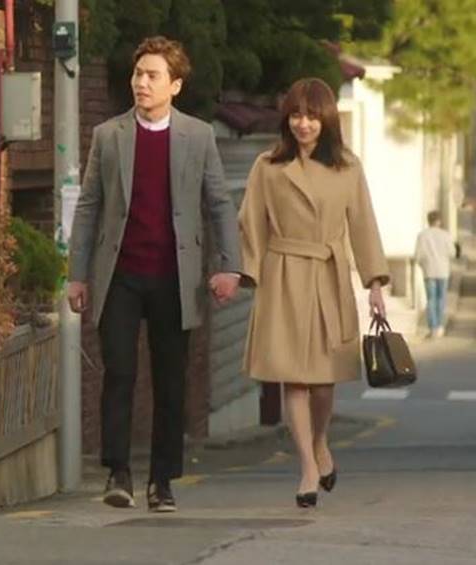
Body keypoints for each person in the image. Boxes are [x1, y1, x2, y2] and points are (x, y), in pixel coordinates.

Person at [68, 36, 241, 512]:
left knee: (170, 380)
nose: (141, 83)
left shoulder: (198, 136)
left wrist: (230, 267)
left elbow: (219, 203)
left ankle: (162, 481)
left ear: (175, 85)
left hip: (174, 277)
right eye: (138, 74)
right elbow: (89, 206)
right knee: (119, 372)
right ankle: (118, 472)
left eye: (152, 76)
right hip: (119, 274)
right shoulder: (109, 135)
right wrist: (76, 274)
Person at [238, 78, 389, 508]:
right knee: (295, 377)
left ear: (327, 120)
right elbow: (250, 221)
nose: (302, 124)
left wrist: (375, 283)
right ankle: (306, 466)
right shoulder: (268, 166)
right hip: (283, 276)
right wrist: (248, 272)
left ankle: (320, 441)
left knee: (324, 380)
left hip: (328, 275)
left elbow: (363, 224)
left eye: (311, 117)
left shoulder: (347, 166)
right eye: (295, 115)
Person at [415, 210, 455, 338]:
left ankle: (432, 328)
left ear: (428, 221)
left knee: (431, 299)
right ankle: (440, 326)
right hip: (443, 271)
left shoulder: (422, 236)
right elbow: (452, 253)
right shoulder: (446, 235)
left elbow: (418, 255)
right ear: (439, 221)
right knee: (441, 299)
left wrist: (422, 265)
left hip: (429, 271)